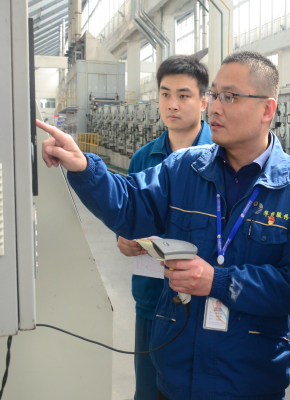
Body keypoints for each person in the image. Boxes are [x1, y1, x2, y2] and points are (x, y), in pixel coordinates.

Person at [36, 51, 290, 400]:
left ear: (267, 109)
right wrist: (84, 167)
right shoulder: (185, 167)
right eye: (215, 94)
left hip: (249, 379)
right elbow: (130, 203)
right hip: (177, 375)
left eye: (230, 97)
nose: (215, 107)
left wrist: (218, 281)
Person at [115, 55, 212, 400]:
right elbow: (128, 215)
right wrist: (123, 239)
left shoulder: (222, 154)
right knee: (148, 389)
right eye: (165, 94)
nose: (173, 104)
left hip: (201, 297)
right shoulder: (144, 158)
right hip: (151, 297)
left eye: (184, 95)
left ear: (203, 101)